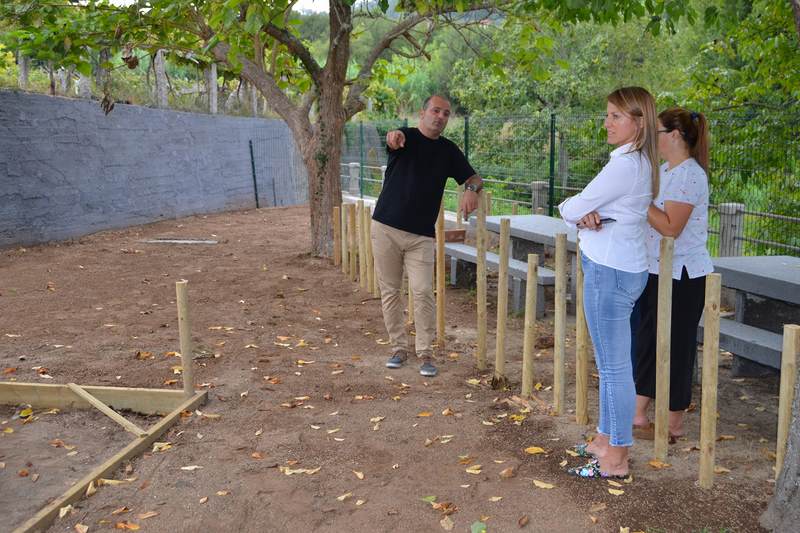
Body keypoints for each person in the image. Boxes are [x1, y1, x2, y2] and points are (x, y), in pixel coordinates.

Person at [558, 87, 659, 478]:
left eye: (617, 116)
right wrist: (585, 212)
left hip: (610, 270)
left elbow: (572, 205)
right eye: (608, 115)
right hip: (624, 267)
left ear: (639, 121)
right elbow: (590, 208)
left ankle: (615, 457)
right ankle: (604, 437)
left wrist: (577, 212)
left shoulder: (624, 165)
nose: (607, 123)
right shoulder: (638, 161)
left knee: (614, 368)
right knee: (611, 364)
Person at [371, 95, 483, 377]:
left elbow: (474, 178)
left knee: (422, 292)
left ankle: (425, 353)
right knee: (390, 291)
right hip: (385, 228)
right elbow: (391, 139)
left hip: (421, 236)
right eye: (435, 111)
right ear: (422, 113)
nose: (440, 117)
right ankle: (398, 348)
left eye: (446, 114)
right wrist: (392, 137)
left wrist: (472, 190)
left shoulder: (448, 151)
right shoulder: (405, 137)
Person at [631, 108, 713, 440]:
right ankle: (638, 415)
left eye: (659, 132)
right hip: (656, 269)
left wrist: (639, 201)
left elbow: (670, 227)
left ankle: (674, 423)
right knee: (648, 341)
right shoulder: (665, 170)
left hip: (684, 275)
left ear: (675, 136)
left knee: (677, 347)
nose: (655, 139)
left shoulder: (691, 175)